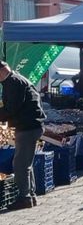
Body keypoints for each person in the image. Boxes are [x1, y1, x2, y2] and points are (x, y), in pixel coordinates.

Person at [0, 61, 46, 210]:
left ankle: (24, 197)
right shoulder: (16, 79)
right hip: (31, 125)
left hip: (27, 127)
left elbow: (12, 108)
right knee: (26, 164)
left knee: (20, 164)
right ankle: (30, 196)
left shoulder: (12, 82)